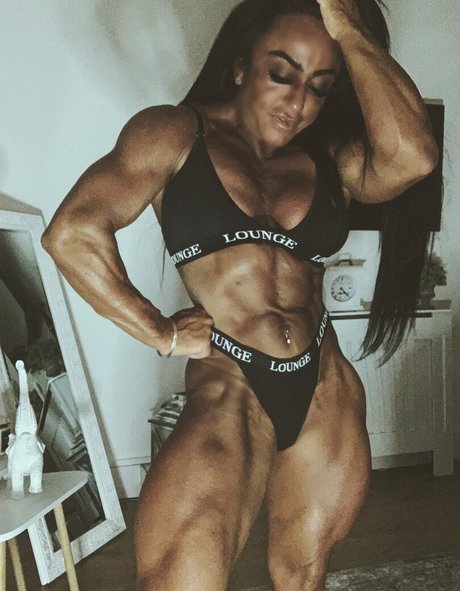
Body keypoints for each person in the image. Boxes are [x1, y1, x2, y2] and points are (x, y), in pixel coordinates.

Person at [41, 0, 438, 589]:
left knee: (303, 574)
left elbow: (414, 156)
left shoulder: (330, 160)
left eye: (319, 86)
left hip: (324, 384)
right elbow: (72, 234)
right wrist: (161, 332)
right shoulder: (175, 133)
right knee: (178, 578)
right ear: (239, 67)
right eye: (282, 73)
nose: (297, 102)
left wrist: (346, 25)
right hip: (232, 384)